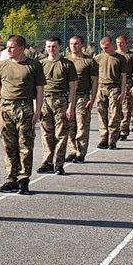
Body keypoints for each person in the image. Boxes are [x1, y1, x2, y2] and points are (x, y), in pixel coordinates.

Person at [0, 35, 44, 194]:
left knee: (25, 145)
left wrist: (37, 111)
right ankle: (11, 179)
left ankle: (23, 179)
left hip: (25, 107)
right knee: (9, 145)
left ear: (22, 48)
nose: (8, 50)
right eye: (7, 47)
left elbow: (40, 90)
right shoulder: (1, 66)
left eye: (12, 47)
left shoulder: (33, 65)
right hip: (6, 107)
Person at [36, 37, 77, 176]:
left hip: (61, 100)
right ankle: (47, 162)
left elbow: (72, 87)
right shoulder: (41, 64)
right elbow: (37, 87)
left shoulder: (67, 64)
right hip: (45, 100)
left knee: (61, 133)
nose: (51, 49)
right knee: (46, 133)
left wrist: (71, 106)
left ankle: (59, 164)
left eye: (54, 46)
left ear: (60, 47)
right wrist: (37, 107)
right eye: (48, 46)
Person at [65, 36, 95, 162]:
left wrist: (92, 99)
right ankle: (72, 150)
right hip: (68, 97)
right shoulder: (66, 60)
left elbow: (94, 81)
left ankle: (81, 153)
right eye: (71, 43)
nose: (73, 46)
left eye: (76, 43)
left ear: (82, 45)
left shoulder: (89, 61)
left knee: (82, 124)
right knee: (69, 125)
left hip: (83, 96)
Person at [93, 36, 125, 149]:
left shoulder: (120, 58)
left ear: (112, 45)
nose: (104, 49)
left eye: (106, 47)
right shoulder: (98, 58)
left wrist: (123, 91)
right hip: (101, 87)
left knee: (114, 114)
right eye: (102, 48)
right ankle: (103, 138)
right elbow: (94, 77)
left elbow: (123, 76)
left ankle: (113, 139)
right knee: (101, 113)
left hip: (114, 87)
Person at [115, 35, 133, 141]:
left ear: (126, 43)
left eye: (121, 43)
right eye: (117, 43)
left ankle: (124, 131)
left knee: (126, 108)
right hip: (115, 83)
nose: (119, 45)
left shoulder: (132, 56)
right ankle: (116, 129)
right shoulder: (114, 55)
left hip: (128, 82)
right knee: (116, 109)